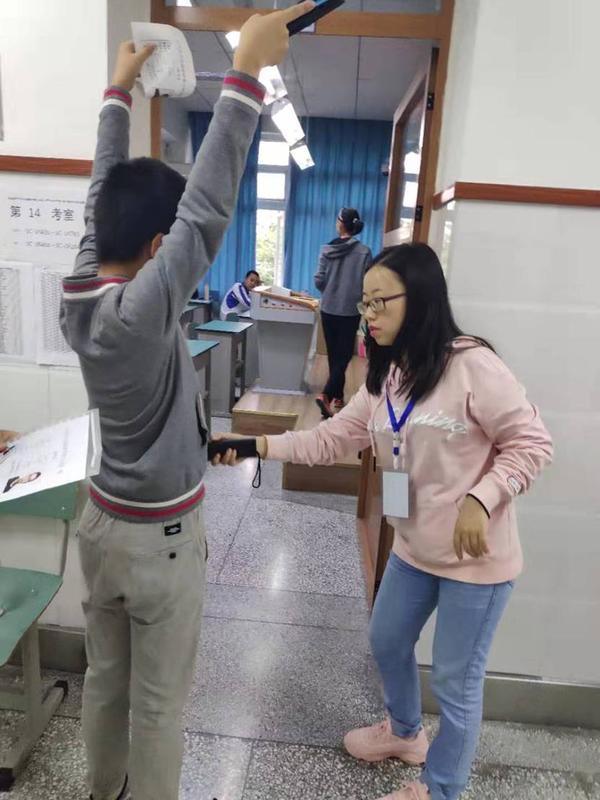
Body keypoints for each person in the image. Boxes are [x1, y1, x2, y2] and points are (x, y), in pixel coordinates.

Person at [58, 5, 313, 800]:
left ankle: (104, 791)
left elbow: (104, 192)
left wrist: (117, 93)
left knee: (106, 683)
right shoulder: (142, 311)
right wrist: (244, 76)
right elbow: (203, 215)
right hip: (159, 541)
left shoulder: (83, 291)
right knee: (160, 706)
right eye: (167, 246)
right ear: (154, 248)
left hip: (101, 524)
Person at [213, 243, 553, 800]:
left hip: (476, 560)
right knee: (388, 639)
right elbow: (330, 439)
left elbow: (532, 443)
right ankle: (404, 732)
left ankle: (440, 788)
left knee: (455, 682)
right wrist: (255, 445)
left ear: (418, 299)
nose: (367, 315)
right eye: (364, 303)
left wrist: (483, 497)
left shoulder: (473, 366)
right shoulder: (388, 375)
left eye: (378, 302)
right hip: (415, 548)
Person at [314, 207, 372, 419]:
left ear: (340, 223)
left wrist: (330, 290)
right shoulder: (364, 252)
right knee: (344, 355)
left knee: (335, 354)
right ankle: (331, 394)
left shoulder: (326, 249)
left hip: (329, 308)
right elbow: (368, 281)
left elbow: (319, 280)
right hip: (350, 310)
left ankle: (332, 394)